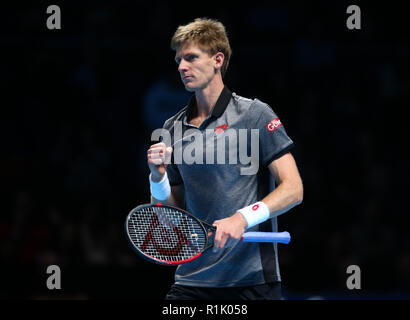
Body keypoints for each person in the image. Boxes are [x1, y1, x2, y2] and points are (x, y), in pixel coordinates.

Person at [146, 18, 303, 300]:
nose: (182, 67)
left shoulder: (255, 114)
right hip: (191, 281)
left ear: (218, 59)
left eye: (191, 57)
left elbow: (293, 189)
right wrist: (157, 179)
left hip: (252, 282)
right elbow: (170, 217)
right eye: (179, 59)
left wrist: (241, 218)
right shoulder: (171, 128)